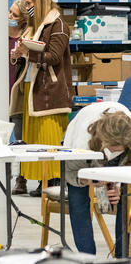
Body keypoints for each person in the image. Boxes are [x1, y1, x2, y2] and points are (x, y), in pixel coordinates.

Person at [10, 0, 72, 197]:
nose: (26, 8)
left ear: (40, 3)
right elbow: (27, 57)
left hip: (49, 91)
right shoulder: (32, 26)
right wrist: (19, 54)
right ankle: (39, 179)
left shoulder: (58, 25)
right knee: (33, 139)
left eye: (29, 4)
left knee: (49, 138)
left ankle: (51, 179)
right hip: (31, 89)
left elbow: (54, 56)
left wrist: (30, 53)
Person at [63, 103, 131, 257]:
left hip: (116, 146)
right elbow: (69, 172)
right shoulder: (81, 141)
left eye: (121, 147)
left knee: (127, 199)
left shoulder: (128, 132)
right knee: (78, 200)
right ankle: (88, 257)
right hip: (85, 152)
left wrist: (119, 186)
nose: (116, 149)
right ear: (104, 139)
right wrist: (88, 181)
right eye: (114, 147)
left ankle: (123, 256)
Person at [8, 0, 29, 195]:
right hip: (0, 92)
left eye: (15, 15)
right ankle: (1, 176)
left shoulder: (26, 38)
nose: (10, 17)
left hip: (18, 95)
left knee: (21, 140)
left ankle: (21, 179)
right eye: (10, 13)